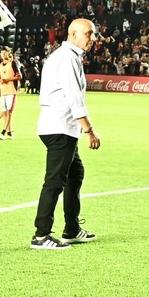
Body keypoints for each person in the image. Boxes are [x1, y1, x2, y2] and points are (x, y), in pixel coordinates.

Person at [31, 19, 100, 249]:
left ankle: (71, 229)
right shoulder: (67, 58)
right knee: (55, 181)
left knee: (75, 173)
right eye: (89, 34)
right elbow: (74, 98)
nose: (92, 39)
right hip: (60, 127)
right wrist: (90, 130)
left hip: (61, 126)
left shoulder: (67, 56)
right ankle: (41, 235)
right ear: (73, 33)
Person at [0, 48, 20, 140]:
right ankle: (9, 132)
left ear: (8, 53)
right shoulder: (0, 65)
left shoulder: (12, 63)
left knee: (9, 111)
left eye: (5, 53)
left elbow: (19, 76)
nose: (3, 54)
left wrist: (7, 80)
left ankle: (3, 132)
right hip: (3, 91)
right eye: (2, 53)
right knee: (5, 112)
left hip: (11, 91)